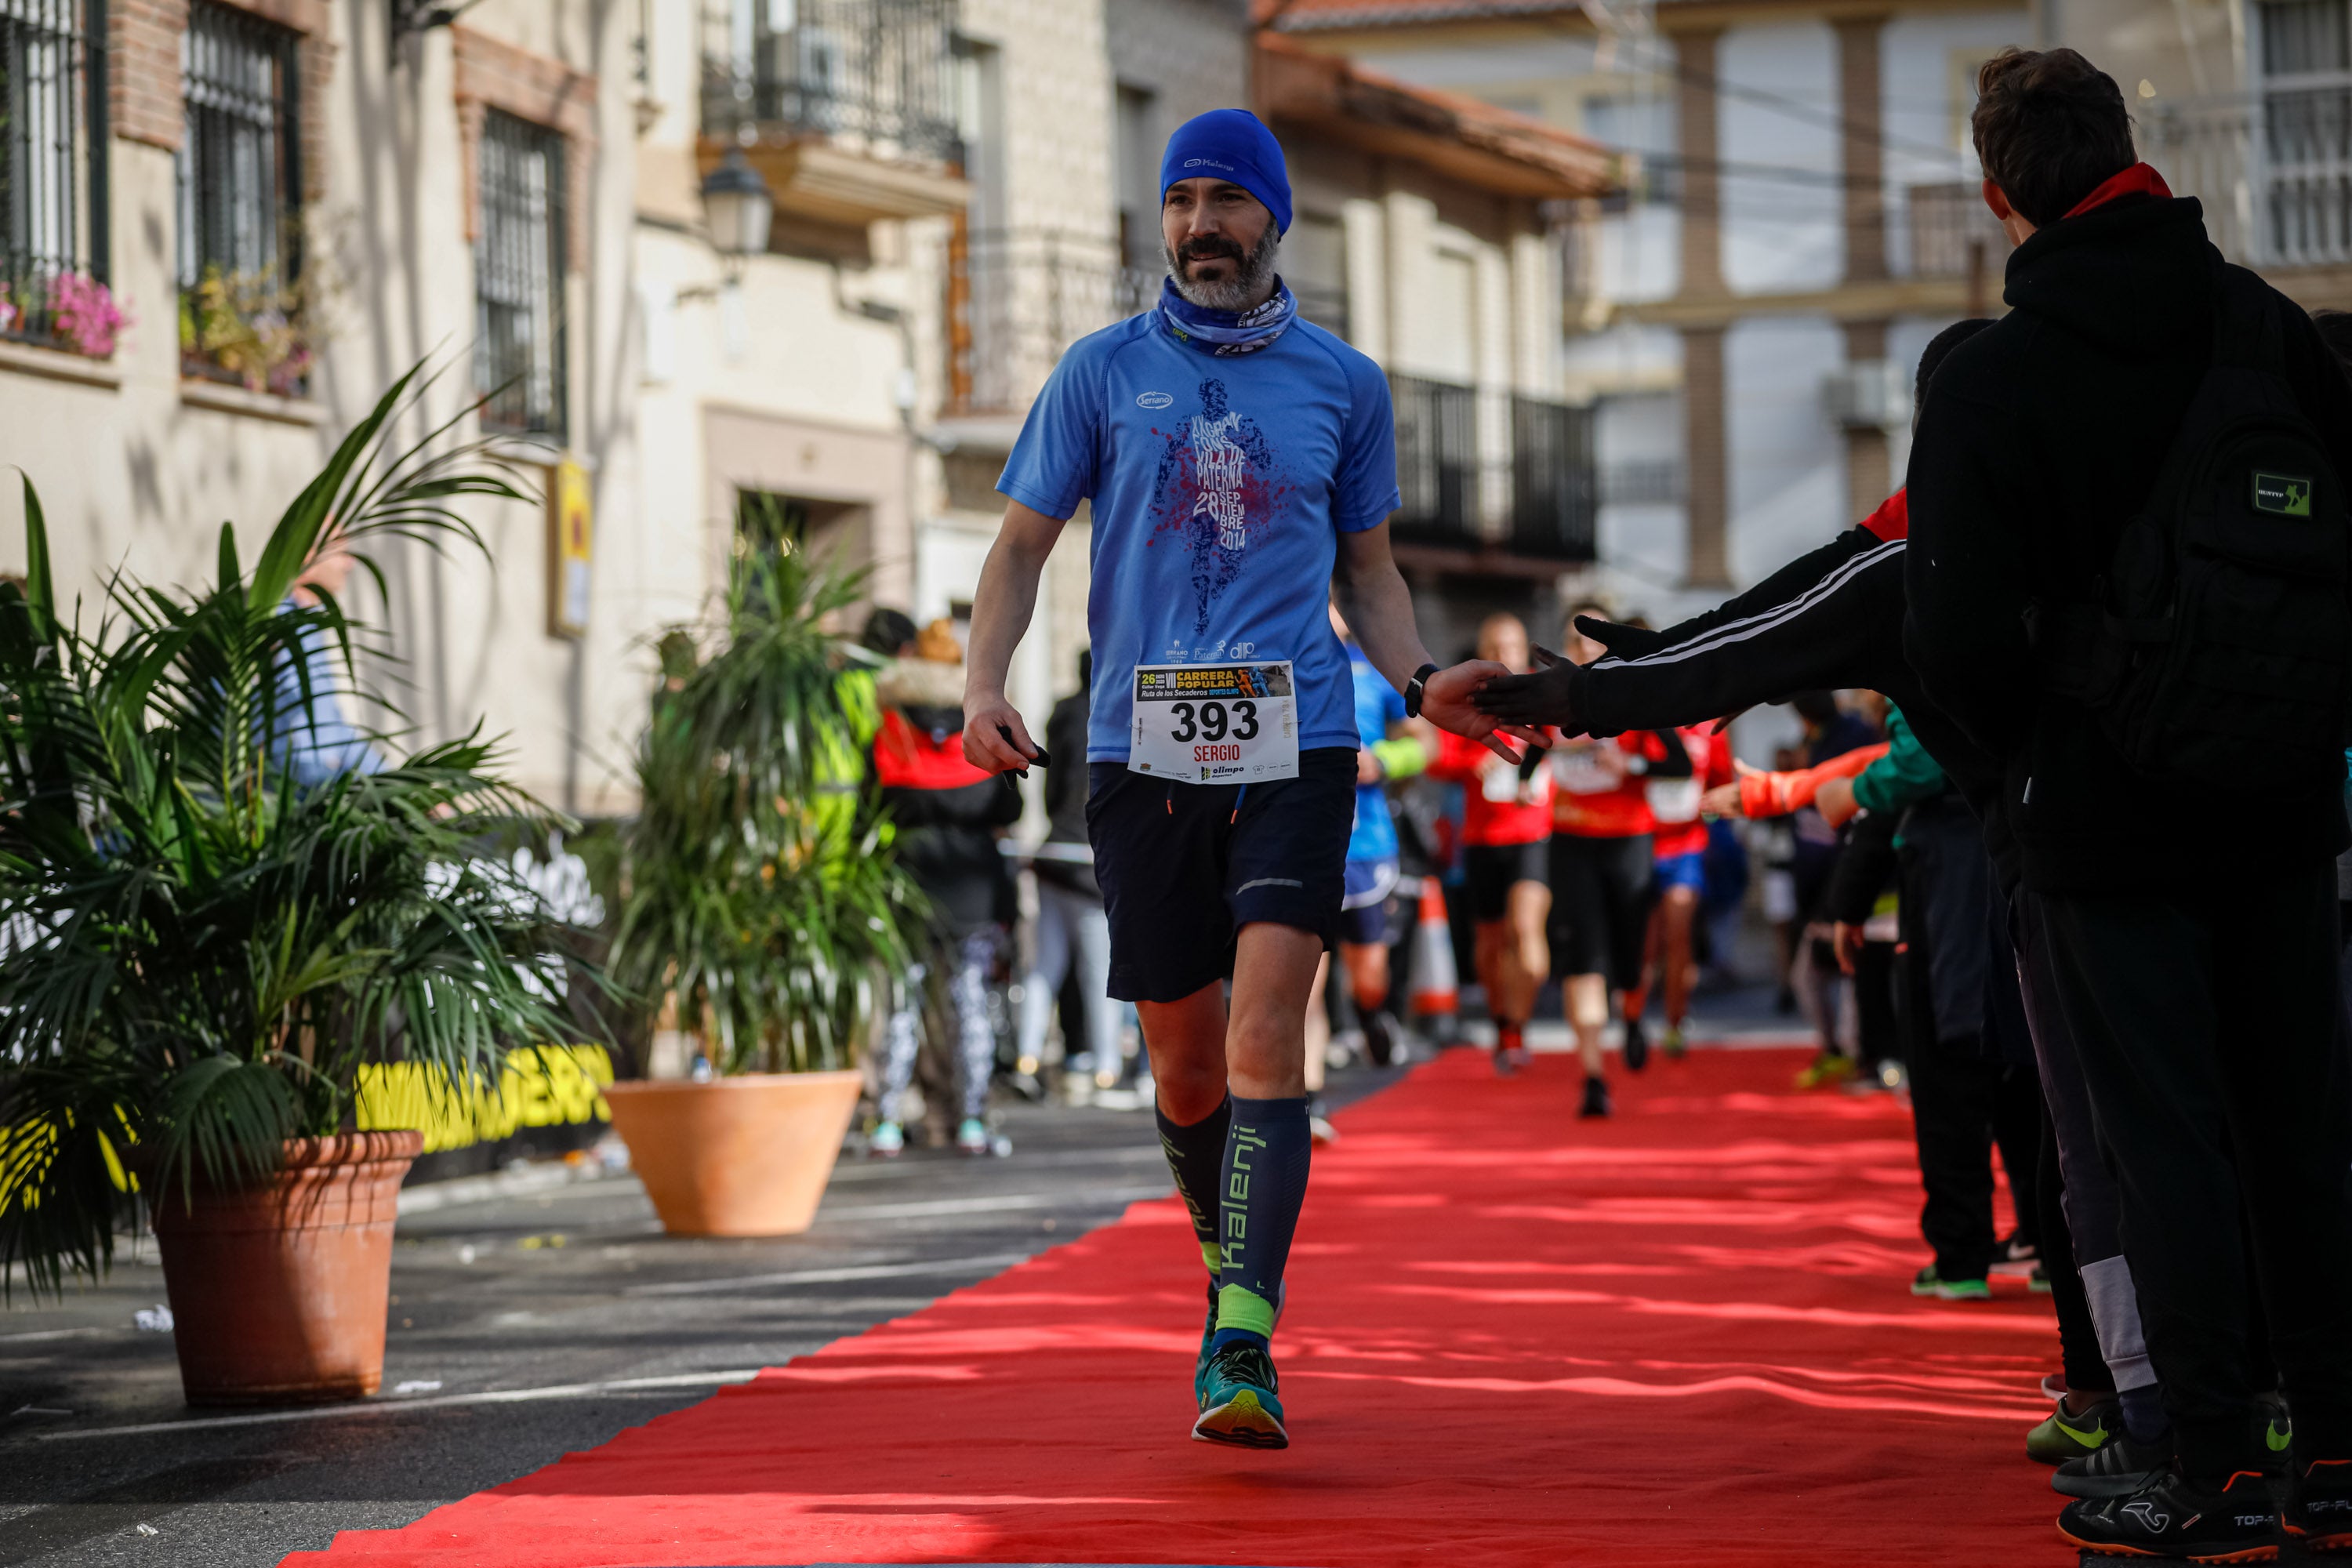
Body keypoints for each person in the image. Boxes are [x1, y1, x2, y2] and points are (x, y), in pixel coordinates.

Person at [1472, 315, 2183, 1544]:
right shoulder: (2125, 506)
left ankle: (2154, 1417)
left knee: (2092, 1157)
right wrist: (1649, 658)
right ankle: (2275, 1414)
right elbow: (1780, 614)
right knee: (2222, 1139)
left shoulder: (1935, 556)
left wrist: (1580, 693)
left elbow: (1777, 631)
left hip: (2054, 876)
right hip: (2236, 858)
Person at [956, 107, 1524, 1450]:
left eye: (1226, 198)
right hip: (1138, 753)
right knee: (1189, 1065)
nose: (1201, 222)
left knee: (1270, 1034)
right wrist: (983, 686)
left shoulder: (1345, 383)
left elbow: (1370, 573)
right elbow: (1022, 550)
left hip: (1301, 747)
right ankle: (1228, 1280)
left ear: (1275, 220)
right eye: (1182, 198)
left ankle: (1245, 1335)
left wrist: (1416, 678)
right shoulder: (1100, 374)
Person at [1900, 49, 2352, 1558]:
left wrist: (2022, 758)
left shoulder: (1994, 375)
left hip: (2100, 817)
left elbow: (1952, 639)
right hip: (2281, 802)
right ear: (2130, 152)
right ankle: (2338, 1456)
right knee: (2300, 1124)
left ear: (1997, 193)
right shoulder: (2271, 330)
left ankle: (2209, 1463)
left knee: (2158, 1136)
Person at [870, 621, 1023, 1158]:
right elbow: (1011, 806)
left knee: (901, 1005)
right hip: (974, 889)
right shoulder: (980, 728)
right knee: (970, 1005)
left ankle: (887, 1121)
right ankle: (972, 1121)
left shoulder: (888, 729)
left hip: (905, 884)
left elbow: (874, 802)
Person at [1544, 609, 1683, 1112]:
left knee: (1628, 954)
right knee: (1585, 951)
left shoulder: (1635, 695)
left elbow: (1680, 764)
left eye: (1591, 641)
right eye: (1573, 640)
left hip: (1629, 841)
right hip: (1571, 839)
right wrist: (1524, 779)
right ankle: (1593, 1077)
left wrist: (1632, 764)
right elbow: (1529, 756)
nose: (1583, 650)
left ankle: (1631, 1016)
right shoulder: (1553, 697)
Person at [1428, 613, 1555, 1079]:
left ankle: (1518, 1023)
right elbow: (1436, 759)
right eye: (1494, 646)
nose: (1505, 654)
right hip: (1482, 838)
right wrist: (1471, 765)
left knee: (1526, 930)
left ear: (1525, 651)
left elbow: (1565, 743)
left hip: (1532, 833)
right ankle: (1505, 1025)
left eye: (1512, 646)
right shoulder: (1466, 701)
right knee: (1490, 944)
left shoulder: (1544, 697)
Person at [1012, 648, 1132, 1094]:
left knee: (1044, 965)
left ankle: (1028, 1058)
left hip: (1055, 850)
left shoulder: (1062, 714)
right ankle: (1106, 1067)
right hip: (1093, 857)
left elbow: (1052, 789)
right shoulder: (1122, 713)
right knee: (1098, 969)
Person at [1330, 598, 1432, 1068]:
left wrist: (1383, 762)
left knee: (1367, 973)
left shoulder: (1372, 670)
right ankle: (1309, 1092)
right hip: (1297, 840)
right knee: (1302, 970)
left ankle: (1369, 1013)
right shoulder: (1272, 661)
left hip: (1365, 843)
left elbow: (1424, 743)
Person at [1624, 717, 1733, 1060]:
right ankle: (1633, 1024)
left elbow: (1720, 782)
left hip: (1686, 847)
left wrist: (1709, 811)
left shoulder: (1712, 728)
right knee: (1644, 943)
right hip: (1641, 843)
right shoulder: (1644, 719)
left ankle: (1675, 1022)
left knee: (1678, 935)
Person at [274, 529, 388, 785]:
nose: (351, 563)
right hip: (286, 800)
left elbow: (334, 730)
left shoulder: (308, 625)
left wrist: (403, 787)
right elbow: (279, 744)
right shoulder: (276, 625)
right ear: (307, 556)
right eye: (342, 551)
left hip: (320, 789)